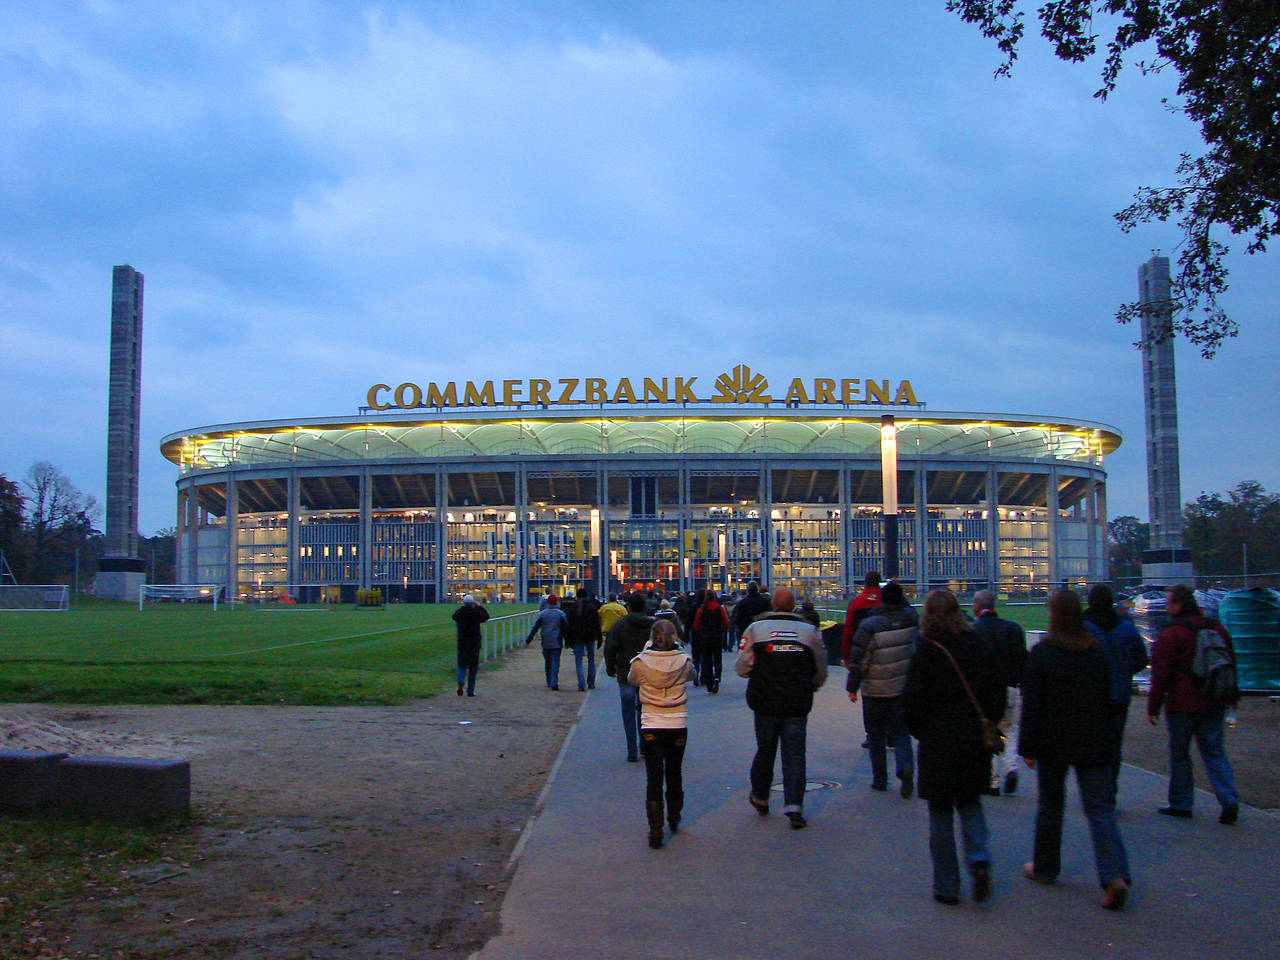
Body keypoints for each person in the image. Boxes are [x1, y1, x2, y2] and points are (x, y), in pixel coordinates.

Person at [1020, 589, 1132, 910]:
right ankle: (1115, 875)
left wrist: (1028, 747)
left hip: (1053, 740)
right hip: (1093, 738)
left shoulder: (1043, 653)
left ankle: (1045, 867)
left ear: (1054, 616)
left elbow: (1033, 705)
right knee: (1100, 810)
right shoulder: (1094, 652)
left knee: (1051, 806)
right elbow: (1109, 699)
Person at [904, 589, 1005, 905]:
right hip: (972, 735)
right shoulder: (977, 643)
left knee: (940, 811)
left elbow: (912, 700)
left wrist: (920, 729)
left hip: (937, 737)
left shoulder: (925, 649)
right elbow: (994, 690)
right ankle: (979, 858)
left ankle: (947, 884)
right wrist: (989, 720)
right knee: (970, 801)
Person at [1147, 583, 1240, 824]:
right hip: (1213, 700)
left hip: (1182, 704)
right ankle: (1228, 798)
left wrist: (1154, 706)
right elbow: (1229, 661)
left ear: (1177, 605)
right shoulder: (1216, 628)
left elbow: (1161, 674)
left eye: (1169, 603)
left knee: (1180, 754)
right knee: (1214, 752)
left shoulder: (1172, 633)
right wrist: (1231, 697)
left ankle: (1181, 802)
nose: (1167, 607)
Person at [735, 587, 828, 829]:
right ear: (793, 605)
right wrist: (813, 685)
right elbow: (821, 665)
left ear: (773, 605)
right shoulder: (809, 632)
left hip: (764, 700)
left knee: (765, 751)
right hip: (797, 701)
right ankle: (794, 806)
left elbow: (743, 666)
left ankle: (761, 796)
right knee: (795, 754)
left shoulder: (756, 630)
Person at [627, 619, 696, 848]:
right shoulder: (683, 660)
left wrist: (647, 652)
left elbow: (632, 680)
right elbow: (692, 675)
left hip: (651, 724)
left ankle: (655, 830)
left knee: (654, 778)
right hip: (676, 722)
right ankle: (674, 816)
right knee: (674, 772)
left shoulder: (641, 662)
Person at [847, 581, 918, 797]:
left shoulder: (870, 624)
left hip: (874, 688)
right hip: (901, 685)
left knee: (876, 734)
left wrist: (853, 686)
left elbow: (859, 657)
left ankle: (880, 779)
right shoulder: (912, 620)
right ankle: (905, 766)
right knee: (901, 732)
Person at [1082, 583, 1148, 804]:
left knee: (1091, 745)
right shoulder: (1126, 627)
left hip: (1090, 697)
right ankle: (1109, 789)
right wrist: (1123, 671)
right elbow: (1141, 659)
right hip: (1119, 694)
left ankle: (1095, 791)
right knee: (1114, 746)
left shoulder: (1083, 627)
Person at [971, 589, 1027, 795]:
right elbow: (1022, 660)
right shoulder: (1012, 629)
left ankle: (992, 781)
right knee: (1010, 730)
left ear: (977, 606)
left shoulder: (973, 631)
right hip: (1010, 687)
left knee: (988, 731)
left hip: (984, 690)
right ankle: (1011, 768)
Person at [603, 595, 655, 762]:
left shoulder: (620, 625)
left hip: (626, 672)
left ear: (628, 607)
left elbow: (611, 647)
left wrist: (610, 667)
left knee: (628, 711)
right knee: (645, 711)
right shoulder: (652, 625)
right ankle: (645, 746)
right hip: (648, 673)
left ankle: (632, 749)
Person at [525, 595, 568, 690]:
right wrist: (568, 641)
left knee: (548, 662)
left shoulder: (542, 614)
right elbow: (565, 629)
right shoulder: (561, 614)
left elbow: (535, 628)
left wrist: (528, 640)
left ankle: (549, 681)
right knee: (555, 662)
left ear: (548, 603)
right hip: (557, 641)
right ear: (556, 602)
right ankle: (554, 682)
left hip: (545, 641)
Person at [451, 594, 490, 697]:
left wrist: (463, 607)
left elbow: (454, 616)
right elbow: (486, 616)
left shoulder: (460, 613)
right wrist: (480, 606)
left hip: (462, 643)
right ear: (473, 603)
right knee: (473, 668)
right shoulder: (476, 613)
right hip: (474, 643)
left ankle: (460, 681)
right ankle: (470, 691)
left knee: (462, 666)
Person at [841, 571, 882, 665]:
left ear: (865, 583)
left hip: (861, 652)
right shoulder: (885, 601)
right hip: (882, 651)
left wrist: (846, 657)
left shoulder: (856, 603)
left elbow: (848, 631)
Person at [692, 590, 730, 693]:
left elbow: (696, 625)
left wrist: (702, 631)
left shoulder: (701, 610)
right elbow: (726, 623)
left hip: (705, 637)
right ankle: (717, 678)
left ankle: (709, 681)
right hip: (717, 636)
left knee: (707, 659)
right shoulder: (719, 608)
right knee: (717, 659)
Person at [567, 590, 602, 691]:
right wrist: (599, 638)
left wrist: (569, 640)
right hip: (590, 637)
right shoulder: (592, 608)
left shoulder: (573, 608)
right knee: (591, 660)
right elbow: (597, 624)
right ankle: (591, 683)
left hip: (577, 637)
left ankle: (581, 684)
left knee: (578, 661)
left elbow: (569, 625)